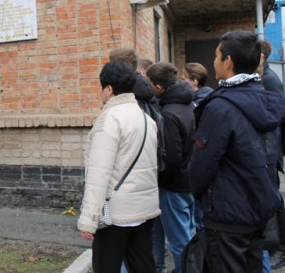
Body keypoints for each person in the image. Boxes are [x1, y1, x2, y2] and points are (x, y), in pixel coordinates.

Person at [189, 30, 284, 272]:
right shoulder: (268, 101)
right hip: (259, 208)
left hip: (227, 215)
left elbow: (201, 167)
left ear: (228, 61)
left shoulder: (219, 108)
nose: (213, 62)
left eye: (216, 56)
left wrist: (197, 191)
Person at [78, 61, 160, 272]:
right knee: (143, 265)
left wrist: (88, 219)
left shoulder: (110, 119)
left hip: (115, 214)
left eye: (101, 88)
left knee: (106, 267)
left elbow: (98, 172)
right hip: (144, 209)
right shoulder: (146, 118)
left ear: (109, 89)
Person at [146, 62, 196, 273]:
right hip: (188, 180)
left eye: (149, 83)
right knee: (187, 233)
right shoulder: (187, 104)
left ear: (158, 86)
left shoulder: (168, 113)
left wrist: (160, 179)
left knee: (179, 241)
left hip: (173, 186)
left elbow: (172, 158)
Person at [258, 40, 285, 270]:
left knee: (275, 200)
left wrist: (271, 153)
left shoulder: (269, 80)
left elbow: (276, 117)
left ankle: (281, 249)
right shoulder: (263, 78)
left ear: (262, 57)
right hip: (269, 149)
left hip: (270, 150)